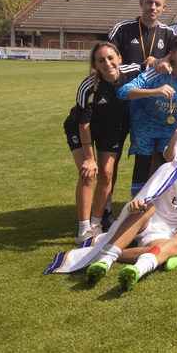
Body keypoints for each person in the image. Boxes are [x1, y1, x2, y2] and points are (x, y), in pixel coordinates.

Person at [45, 133, 177, 288]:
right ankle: (106, 260)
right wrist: (136, 203)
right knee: (145, 209)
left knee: (161, 250)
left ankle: (110, 254)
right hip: (158, 224)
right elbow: (146, 195)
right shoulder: (169, 169)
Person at [63, 42, 141, 244]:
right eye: (101, 60)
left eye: (110, 57)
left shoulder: (132, 72)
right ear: (95, 65)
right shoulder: (88, 86)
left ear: (119, 58)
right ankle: (83, 229)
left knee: (107, 174)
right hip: (81, 129)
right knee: (88, 174)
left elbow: (151, 64)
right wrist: (89, 158)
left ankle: (96, 225)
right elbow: (83, 125)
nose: (107, 63)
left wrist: (155, 61)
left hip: (111, 130)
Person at [118, 33, 177, 196]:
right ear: (172, 55)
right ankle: (136, 206)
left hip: (169, 124)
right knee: (143, 163)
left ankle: (162, 204)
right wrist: (154, 92)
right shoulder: (158, 71)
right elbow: (123, 92)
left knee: (169, 163)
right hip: (143, 120)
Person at [106, 0, 174, 70]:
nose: (153, 7)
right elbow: (102, 56)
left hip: (157, 82)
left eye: (157, 4)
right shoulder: (122, 29)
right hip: (126, 82)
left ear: (163, 8)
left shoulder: (169, 33)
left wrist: (165, 59)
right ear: (141, 3)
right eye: (149, 2)